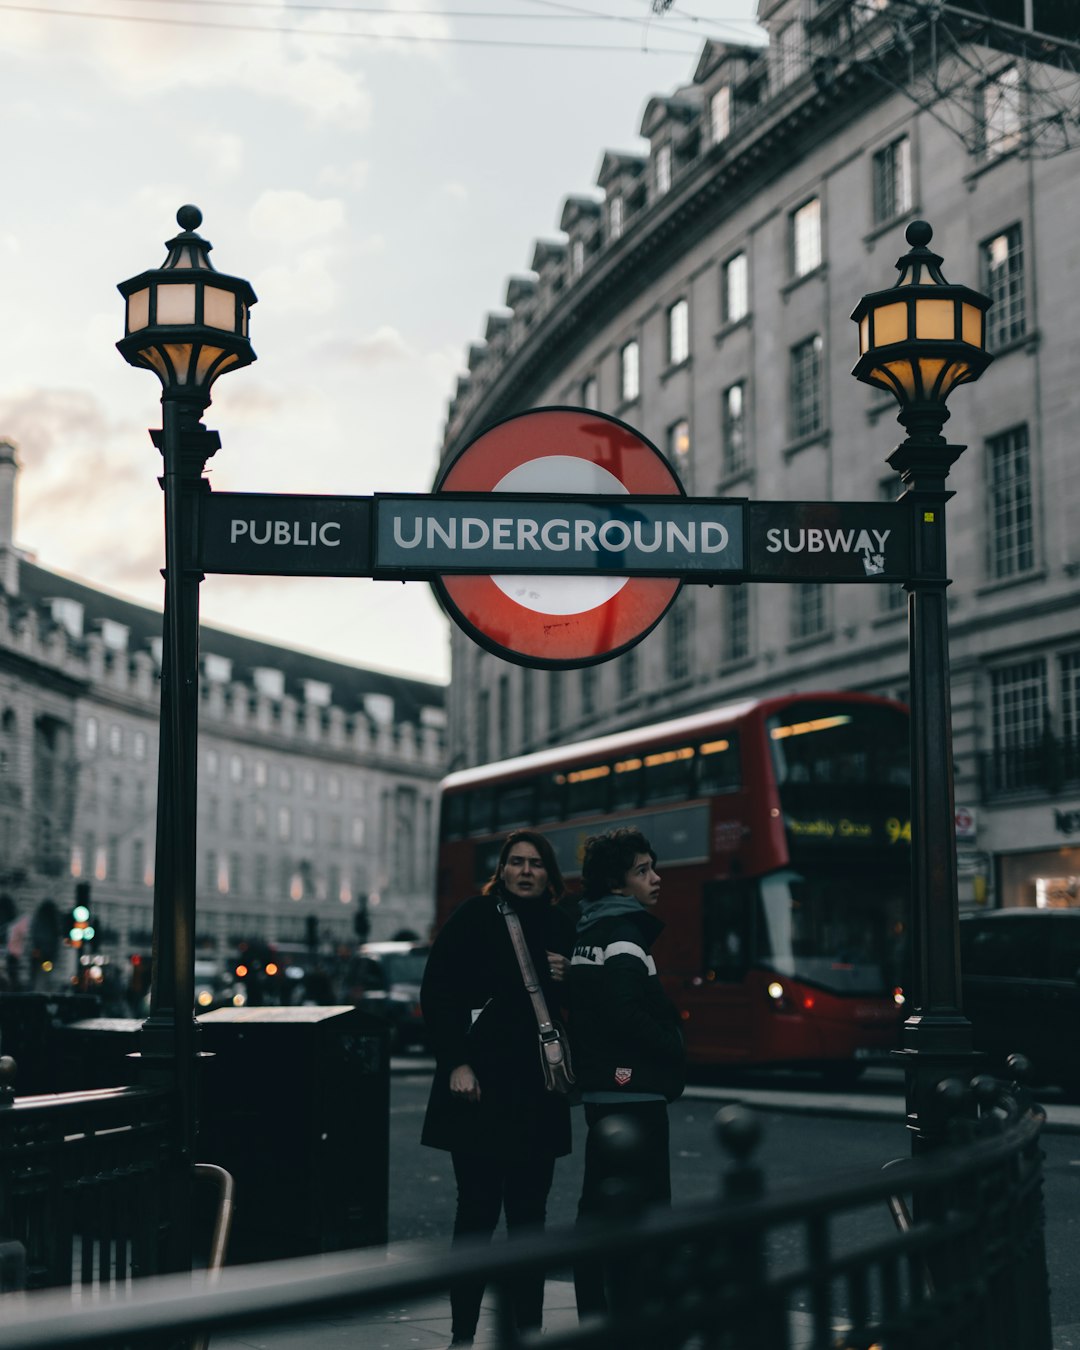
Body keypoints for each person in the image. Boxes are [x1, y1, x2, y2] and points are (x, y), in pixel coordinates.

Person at [420, 829, 575, 1349]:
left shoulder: (561, 924)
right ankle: (463, 1335)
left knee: (530, 1221)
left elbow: (587, 1008)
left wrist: (572, 975)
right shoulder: (475, 916)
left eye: (535, 864)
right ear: (502, 871)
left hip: (538, 1093)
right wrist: (456, 1063)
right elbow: (437, 990)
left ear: (549, 875)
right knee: (477, 1216)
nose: (526, 871)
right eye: (516, 863)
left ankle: (528, 1332)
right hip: (480, 1090)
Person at [568, 827, 685, 1320]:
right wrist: (673, 1048)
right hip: (633, 1095)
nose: (655, 878)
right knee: (641, 1212)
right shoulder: (623, 936)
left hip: (606, 1094)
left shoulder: (591, 931)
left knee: (599, 1209)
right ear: (618, 884)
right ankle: (631, 1318)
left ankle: (598, 1314)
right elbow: (624, 1013)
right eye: (643, 870)